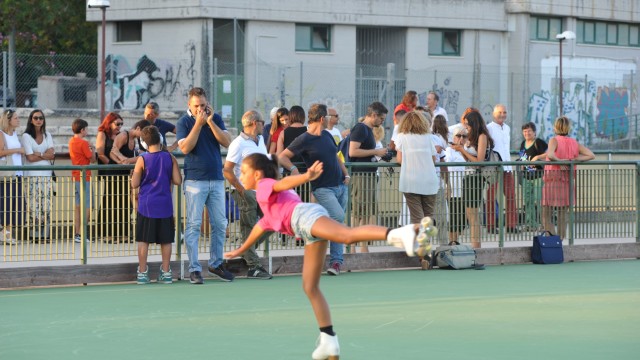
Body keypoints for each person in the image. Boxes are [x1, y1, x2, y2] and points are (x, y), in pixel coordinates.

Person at [224, 153, 432, 360]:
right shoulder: (267, 204)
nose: (239, 175)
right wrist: (240, 250)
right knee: (310, 286)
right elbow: (260, 227)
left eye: (243, 171)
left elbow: (283, 183)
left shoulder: (264, 185)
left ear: (258, 174)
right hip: (306, 230)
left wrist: (306, 177)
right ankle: (328, 340)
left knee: (347, 235)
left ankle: (401, 233)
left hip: (304, 217)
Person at [279, 104, 350, 275]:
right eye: (327, 117)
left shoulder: (327, 134)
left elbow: (335, 156)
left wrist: (346, 175)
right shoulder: (304, 139)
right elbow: (282, 156)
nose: (329, 120)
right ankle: (318, 258)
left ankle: (336, 263)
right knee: (337, 217)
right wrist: (294, 170)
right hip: (323, 188)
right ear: (321, 118)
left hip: (340, 185)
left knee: (335, 223)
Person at [176, 87, 232, 284]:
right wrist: (198, 124)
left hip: (216, 178)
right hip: (195, 180)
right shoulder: (184, 121)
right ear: (189, 105)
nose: (200, 109)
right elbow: (185, 147)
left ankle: (216, 264)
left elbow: (227, 142)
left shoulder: (214, 118)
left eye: (203, 105)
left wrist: (209, 121)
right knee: (193, 225)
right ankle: (194, 268)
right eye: (196, 106)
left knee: (220, 223)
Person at [222, 109, 272, 279]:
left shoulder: (260, 140)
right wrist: (242, 190)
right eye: (262, 122)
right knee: (248, 227)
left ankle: (246, 251)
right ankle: (254, 266)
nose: (264, 125)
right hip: (246, 191)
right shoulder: (238, 144)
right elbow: (227, 170)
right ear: (254, 123)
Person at [131, 126, 182, 284]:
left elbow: (135, 183)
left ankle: (142, 272)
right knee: (166, 240)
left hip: (146, 205)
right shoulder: (170, 157)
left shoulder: (142, 159)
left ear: (144, 143)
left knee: (143, 240)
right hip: (165, 205)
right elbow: (178, 181)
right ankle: (166, 272)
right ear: (160, 139)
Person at [542, 116, 595, 240]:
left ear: (555, 127)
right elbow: (591, 155)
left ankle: (552, 239)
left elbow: (550, 154)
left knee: (545, 213)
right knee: (562, 213)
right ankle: (560, 239)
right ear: (568, 128)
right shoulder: (574, 143)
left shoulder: (553, 140)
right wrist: (572, 160)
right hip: (567, 180)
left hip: (552, 180)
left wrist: (560, 162)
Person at [450, 108, 494, 248]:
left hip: (476, 177)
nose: (466, 127)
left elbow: (479, 161)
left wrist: (462, 150)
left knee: (473, 214)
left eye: (468, 124)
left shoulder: (482, 136)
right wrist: (461, 148)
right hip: (467, 176)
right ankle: (459, 242)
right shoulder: (471, 137)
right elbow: (468, 160)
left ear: (474, 123)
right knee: (468, 213)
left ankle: (476, 247)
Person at [348, 102, 389, 252]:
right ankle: (352, 247)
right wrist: (375, 152)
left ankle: (363, 247)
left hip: (369, 175)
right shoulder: (360, 128)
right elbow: (353, 152)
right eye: (381, 119)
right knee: (358, 212)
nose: (382, 122)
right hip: (361, 175)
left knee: (366, 212)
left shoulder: (368, 130)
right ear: (373, 115)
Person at [395, 110, 439, 230]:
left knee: (417, 217)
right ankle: (426, 245)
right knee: (428, 216)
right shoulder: (429, 137)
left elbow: (399, 159)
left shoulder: (402, 137)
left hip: (411, 181)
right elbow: (433, 159)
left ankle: (420, 246)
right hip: (429, 180)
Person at [21, 109, 55, 240]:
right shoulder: (26, 136)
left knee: (46, 204)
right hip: (31, 175)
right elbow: (30, 158)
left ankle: (44, 235)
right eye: (36, 118)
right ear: (31, 120)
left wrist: (38, 154)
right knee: (33, 205)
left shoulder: (48, 135)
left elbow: (52, 154)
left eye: (41, 118)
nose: (39, 120)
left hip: (46, 175)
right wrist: (44, 155)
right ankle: (33, 235)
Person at [485, 104, 518, 234]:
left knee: (511, 195)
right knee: (491, 196)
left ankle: (511, 225)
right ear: (494, 114)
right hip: (494, 166)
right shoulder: (489, 128)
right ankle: (491, 225)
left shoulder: (508, 128)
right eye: (499, 112)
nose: (502, 115)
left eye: (504, 112)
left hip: (507, 165)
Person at [95, 112, 127, 240]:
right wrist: (113, 164)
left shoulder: (121, 135)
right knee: (110, 200)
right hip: (110, 170)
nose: (119, 126)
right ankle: (106, 233)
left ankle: (122, 232)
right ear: (109, 122)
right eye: (117, 123)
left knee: (123, 201)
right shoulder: (102, 134)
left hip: (122, 171)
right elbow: (101, 153)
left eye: (121, 124)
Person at [68, 118, 96, 244]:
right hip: (85, 176)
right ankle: (83, 232)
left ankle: (77, 233)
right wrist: (93, 148)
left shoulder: (71, 141)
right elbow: (92, 159)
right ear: (83, 130)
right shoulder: (83, 143)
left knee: (78, 206)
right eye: (86, 129)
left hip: (75, 175)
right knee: (88, 205)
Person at [0, 109, 25, 245]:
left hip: (17, 173)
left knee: (14, 205)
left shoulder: (15, 134)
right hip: (8, 174)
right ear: (8, 120)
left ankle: (7, 233)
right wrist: (18, 150)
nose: (18, 120)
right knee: (6, 205)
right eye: (16, 118)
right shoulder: (1, 134)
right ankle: (5, 233)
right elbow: (0, 152)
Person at [518, 122, 548, 231]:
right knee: (528, 201)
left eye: (529, 131)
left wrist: (537, 157)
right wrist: (521, 164)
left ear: (534, 132)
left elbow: (549, 154)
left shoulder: (539, 142)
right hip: (526, 176)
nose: (526, 133)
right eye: (524, 131)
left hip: (538, 176)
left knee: (540, 200)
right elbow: (522, 157)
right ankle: (531, 224)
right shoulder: (522, 144)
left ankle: (544, 224)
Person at [444, 126, 469, 245]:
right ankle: (452, 241)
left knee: (463, 220)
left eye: (464, 136)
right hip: (453, 189)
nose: (461, 138)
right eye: (458, 136)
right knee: (454, 217)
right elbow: (447, 168)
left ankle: (455, 240)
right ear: (453, 137)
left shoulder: (467, 151)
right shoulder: (449, 151)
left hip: (465, 188)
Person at [431, 114, 450, 244]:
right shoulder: (412, 140)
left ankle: (443, 246)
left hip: (436, 185)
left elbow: (443, 164)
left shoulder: (436, 138)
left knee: (441, 217)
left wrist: (448, 184)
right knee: (423, 219)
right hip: (420, 187)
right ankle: (423, 249)